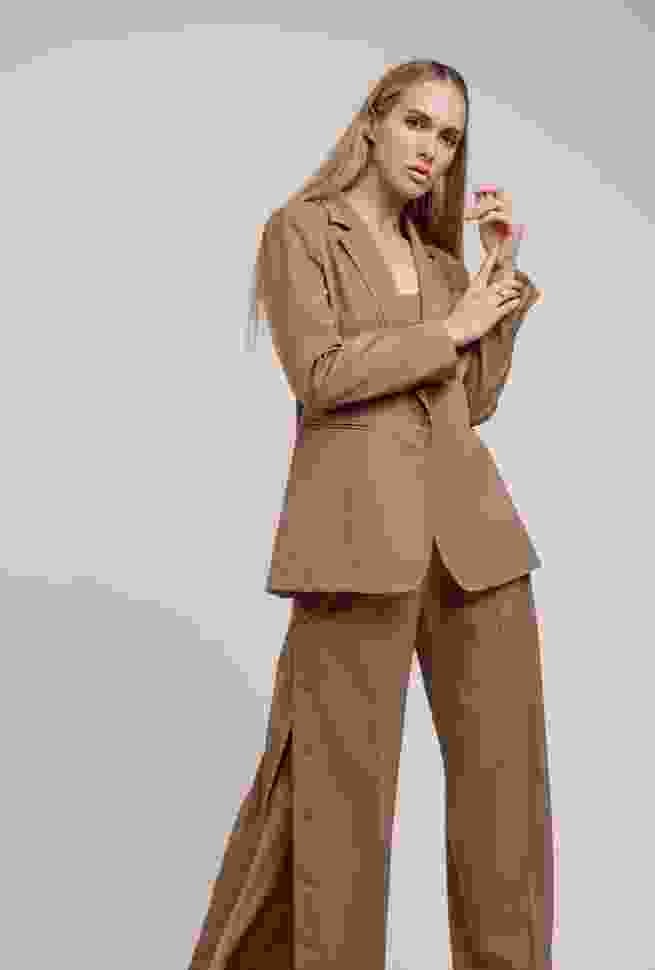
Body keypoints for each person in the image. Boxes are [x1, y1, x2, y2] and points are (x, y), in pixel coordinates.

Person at [189, 58, 553, 970]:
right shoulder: (300, 231)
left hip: (476, 547)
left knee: (506, 800)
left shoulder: (439, 264)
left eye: (451, 137)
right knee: (340, 807)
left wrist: (495, 284)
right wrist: (453, 328)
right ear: (373, 122)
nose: (433, 150)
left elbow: (471, 400)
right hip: (355, 543)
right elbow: (319, 373)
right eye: (418, 123)